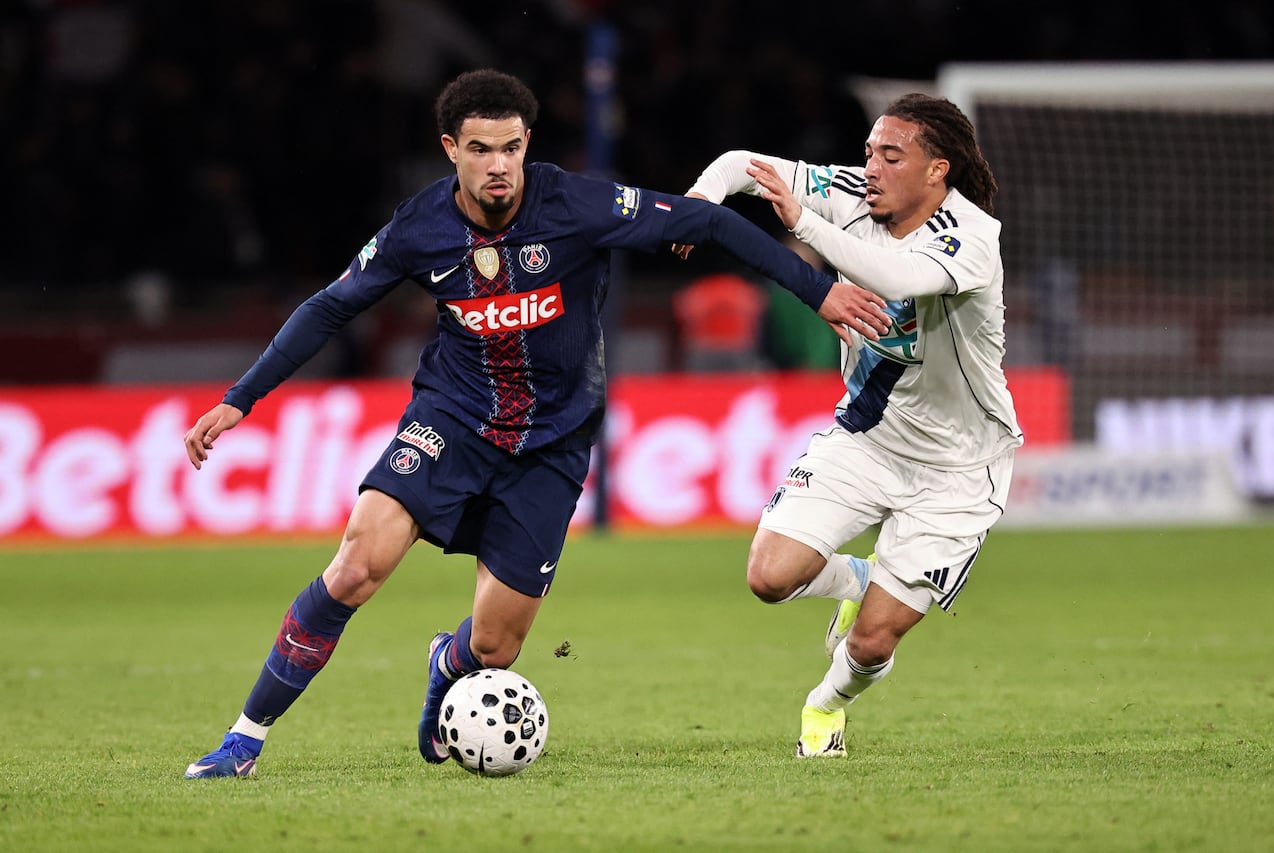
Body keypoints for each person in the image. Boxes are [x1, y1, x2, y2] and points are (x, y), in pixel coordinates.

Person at [180, 68, 892, 778]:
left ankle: (446, 663)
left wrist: (819, 290)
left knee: (493, 648)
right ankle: (244, 739)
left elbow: (705, 221)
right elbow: (330, 307)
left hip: (552, 443)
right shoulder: (419, 227)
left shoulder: (579, 204)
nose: (499, 166)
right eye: (482, 149)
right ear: (450, 149)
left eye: (512, 148)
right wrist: (242, 397)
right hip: (450, 418)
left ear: (528, 145)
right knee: (356, 567)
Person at [682, 93, 1022, 757]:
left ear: (936, 171)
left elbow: (895, 274)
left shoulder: (973, 237)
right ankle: (862, 580)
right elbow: (738, 165)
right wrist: (703, 199)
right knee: (769, 576)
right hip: (866, 437)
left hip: (959, 469)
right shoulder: (847, 193)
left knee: (870, 641)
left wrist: (805, 224)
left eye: (891, 155)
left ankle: (825, 705)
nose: (869, 166)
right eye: (869, 151)